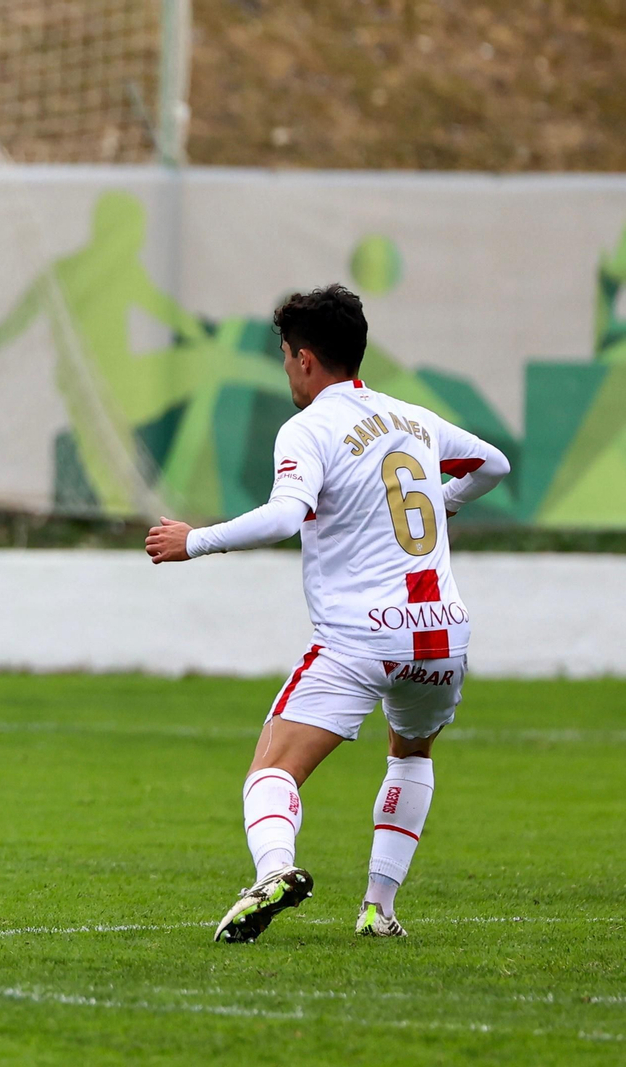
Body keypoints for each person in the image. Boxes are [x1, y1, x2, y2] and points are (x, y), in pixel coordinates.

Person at [145, 285, 509, 942]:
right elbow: (494, 464)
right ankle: (378, 908)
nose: (286, 368)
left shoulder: (309, 427)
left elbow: (286, 515)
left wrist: (191, 540)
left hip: (363, 636)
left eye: (286, 356)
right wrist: (443, 504)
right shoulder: (414, 418)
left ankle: (274, 872)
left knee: (273, 768)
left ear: (306, 359)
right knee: (412, 755)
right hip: (440, 633)